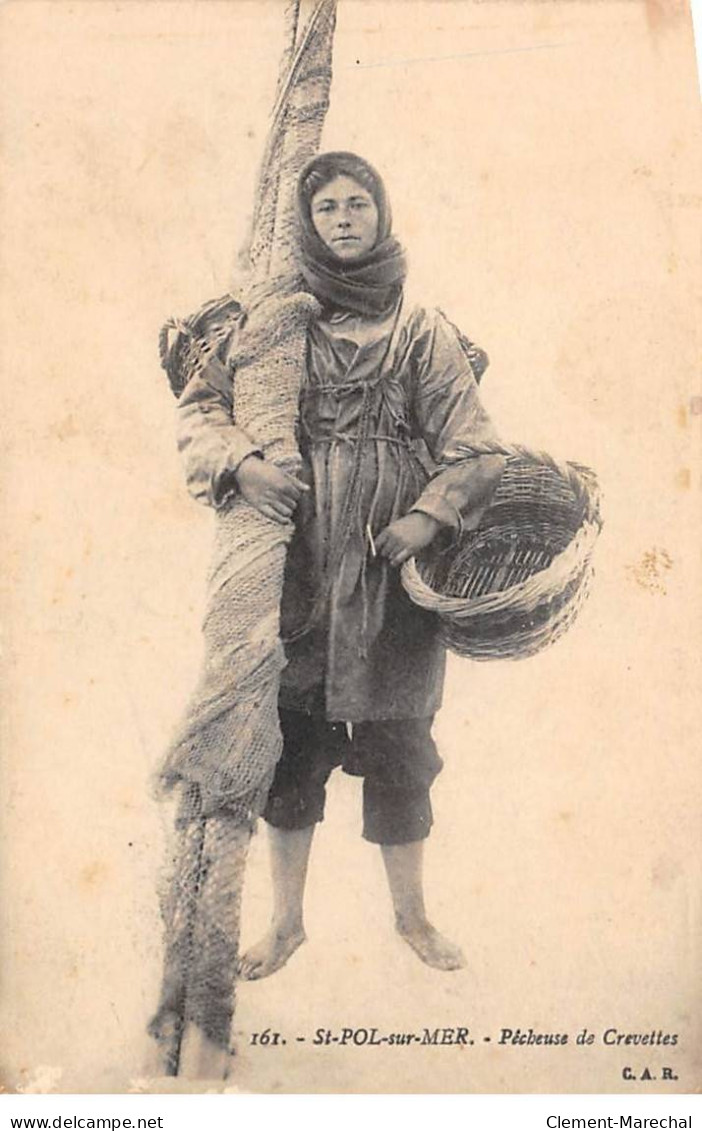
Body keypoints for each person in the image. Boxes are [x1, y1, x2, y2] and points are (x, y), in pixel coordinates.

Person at [176, 151, 505, 983]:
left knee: (400, 744)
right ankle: (285, 923)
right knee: (293, 746)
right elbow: (202, 407)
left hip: (392, 575)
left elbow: (478, 447)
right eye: (327, 208)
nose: (346, 219)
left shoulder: (421, 329)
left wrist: (427, 515)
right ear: (307, 224)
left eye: (360, 203)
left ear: (382, 214)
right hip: (297, 568)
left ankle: (413, 916)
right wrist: (245, 463)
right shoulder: (274, 327)